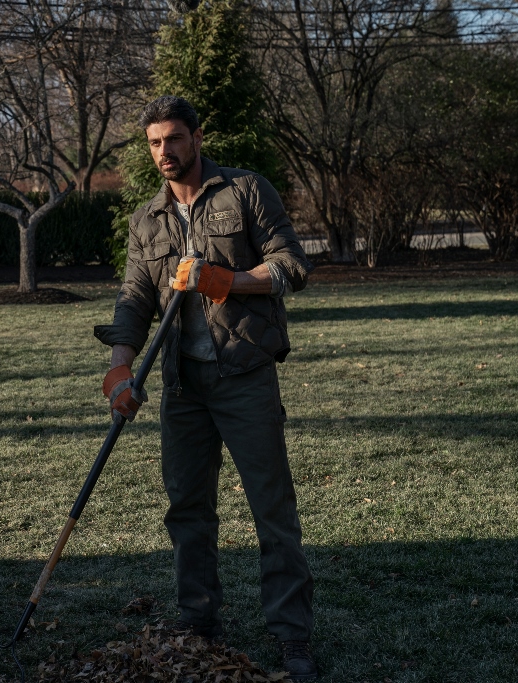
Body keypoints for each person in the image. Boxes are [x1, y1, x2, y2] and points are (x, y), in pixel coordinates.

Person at [94, 96, 318, 680]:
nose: (163, 152)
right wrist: (120, 368)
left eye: (172, 139)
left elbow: (291, 265)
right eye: (153, 143)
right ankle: (198, 621)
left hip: (244, 376)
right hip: (182, 385)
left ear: (196, 137)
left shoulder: (244, 191)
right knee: (188, 509)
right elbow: (135, 300)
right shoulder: (148, 220)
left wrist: (227, 280)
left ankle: (292, 635)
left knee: (272, 511)